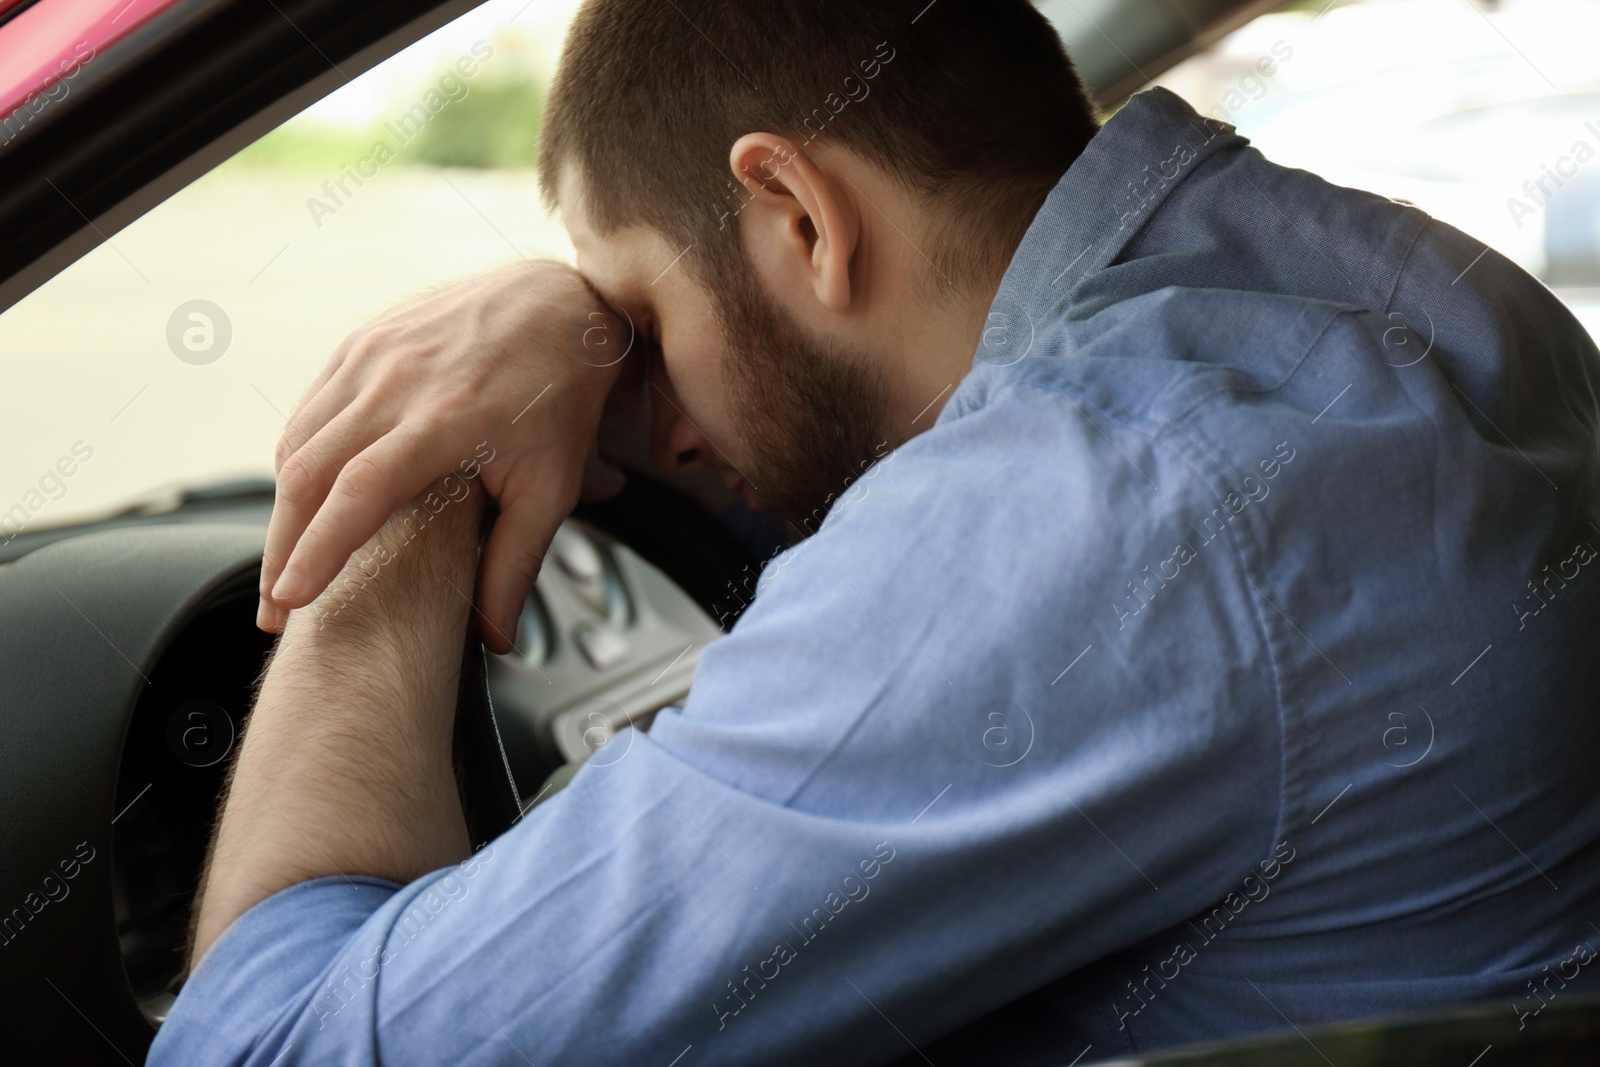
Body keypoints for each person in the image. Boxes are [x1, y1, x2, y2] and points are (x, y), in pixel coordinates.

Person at [152, 0, 1600, 1063]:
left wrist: (414, 489)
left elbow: (270, 1051)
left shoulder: (1100, 499)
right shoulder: (1418, 292)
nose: (646, 427)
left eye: (635, 321)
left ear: (797, 212)